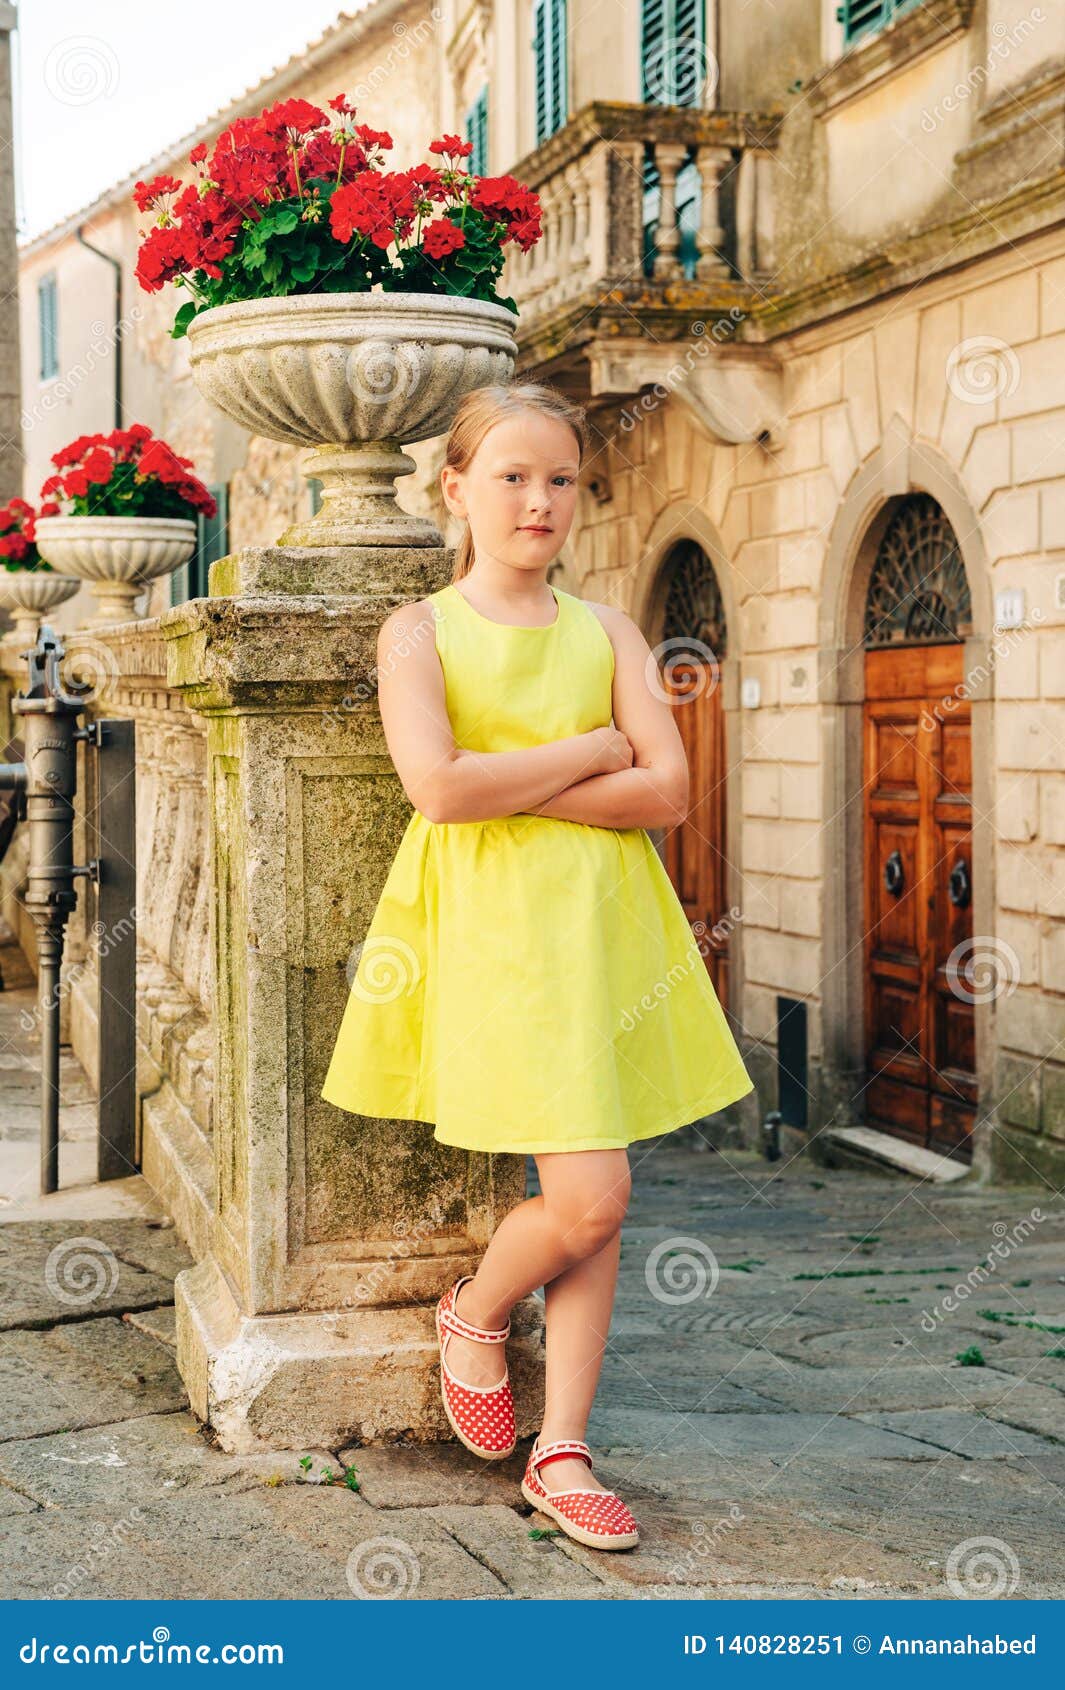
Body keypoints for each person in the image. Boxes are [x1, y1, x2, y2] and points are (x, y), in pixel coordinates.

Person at [321, 380, 754, 1551]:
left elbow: (665, 792)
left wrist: (525, 774)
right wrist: (588, 749)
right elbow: (441, 788)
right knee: (593, 1195)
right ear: (456, 487)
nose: (540, 499)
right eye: (512, 475)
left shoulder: (607, 629)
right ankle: (475, 1310)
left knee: (596, 1192)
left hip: (603, 930)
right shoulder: (417, 629)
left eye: (560, 477)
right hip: (487, 935)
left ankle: (562, 1446)